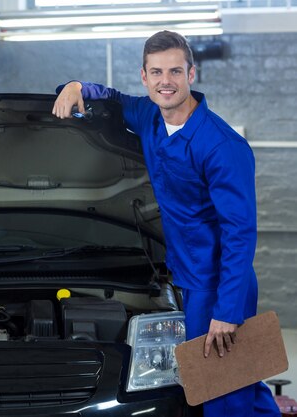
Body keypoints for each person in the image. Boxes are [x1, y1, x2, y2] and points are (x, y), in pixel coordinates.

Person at [52, 30, 279, 417]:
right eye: (156, 72)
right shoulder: (149, 118)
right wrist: (74, 86)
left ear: (192, 74)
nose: (165, 81)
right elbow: (113, 100)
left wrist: (226, 311)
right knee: (236, 382)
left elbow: (240, 235)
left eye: (175, 71)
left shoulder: (221, 146)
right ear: (144, 76)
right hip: (186, 276)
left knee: (223, 394)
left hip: (219, 284)